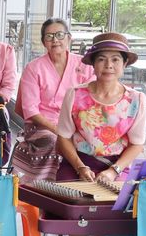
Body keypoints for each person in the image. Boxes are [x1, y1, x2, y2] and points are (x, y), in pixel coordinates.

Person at [56, 33, 146, 236]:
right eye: (102, 59)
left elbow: (137, 144)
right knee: (74, 207)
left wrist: (114, 170)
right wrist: (80, 166)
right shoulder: (76, 95)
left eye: (116, 59)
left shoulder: (136, 100)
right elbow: (63, 138)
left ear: (124, 64)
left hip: (116, 165)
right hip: (78, 162)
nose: (109, 65)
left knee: (108, 210)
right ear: (93, 64)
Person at [13, 18, 95, 182]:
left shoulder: (84, 65)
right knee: (54, 142)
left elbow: (92, 100)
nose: (55, 40)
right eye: (49, 36)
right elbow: (31, 110)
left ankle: (87, 185)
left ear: (69, 38)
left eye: (59, 35)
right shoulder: (33, 68)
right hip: (43, 125)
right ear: (44, 42)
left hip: (78, 123)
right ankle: (48, 187)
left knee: (97, 144)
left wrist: (77, 128)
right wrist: (58, 130)